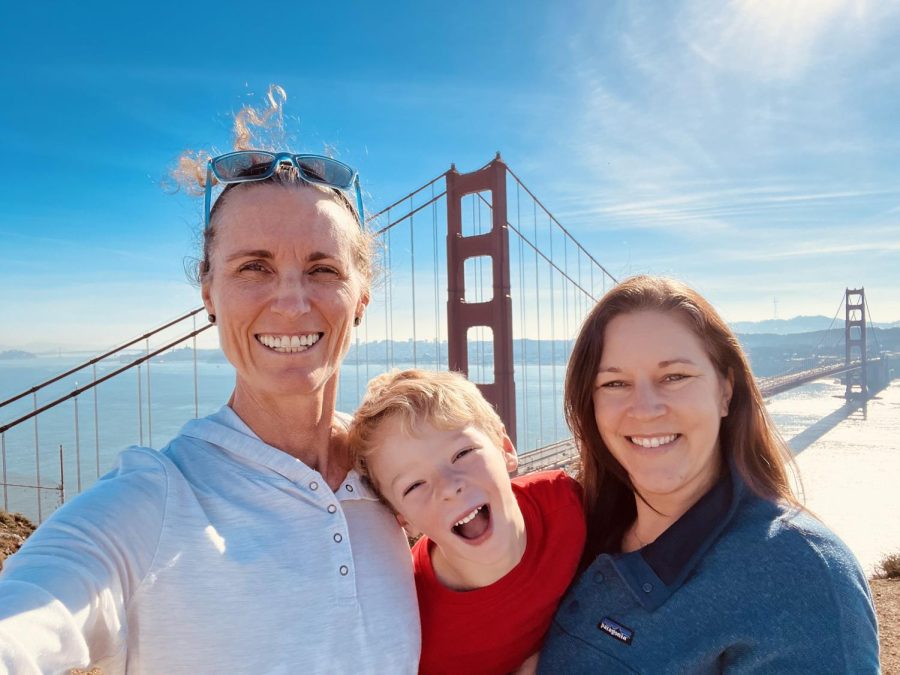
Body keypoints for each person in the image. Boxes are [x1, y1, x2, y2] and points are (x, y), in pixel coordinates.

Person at [0, 90, 420, 673]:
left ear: (362, 297)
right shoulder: (152, 501)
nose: (293, 303)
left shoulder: (404, 476)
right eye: (254, 267)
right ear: (208, 296)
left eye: (323, 269)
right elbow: (26, 619)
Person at [538, 275, 879, 672]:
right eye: (615, 383)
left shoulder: (801, 574)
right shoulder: (571, 535)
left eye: (675, 377)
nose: (645, 408)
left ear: (725, 391)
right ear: (590, 406)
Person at [348, 369, 586, 675]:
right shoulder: (413, 626)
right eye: (414, 486)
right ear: (403, 520)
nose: (449, 487)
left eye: (462, 453)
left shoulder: (566, 503)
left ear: (506, 448)